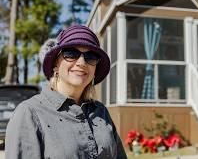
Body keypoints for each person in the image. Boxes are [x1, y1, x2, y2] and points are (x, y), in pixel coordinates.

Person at [5, 25, 127, 159]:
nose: (81, 62)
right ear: (55, 64)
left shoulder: (101, 111)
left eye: (90, 56)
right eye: (71, 53)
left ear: (95, 69)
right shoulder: (29, 113)